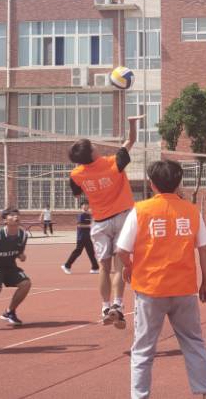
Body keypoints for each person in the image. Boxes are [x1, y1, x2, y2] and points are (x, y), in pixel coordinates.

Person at [114, 160, 206, 399]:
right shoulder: (191, 211)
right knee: (193, 342)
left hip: (150, 289)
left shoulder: (141, 210)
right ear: (179, 183)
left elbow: (121, 249)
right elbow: (204, 249)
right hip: (183, 288)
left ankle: (140, 396)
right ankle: (204, 392)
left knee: (143, 348)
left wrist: (129, 267)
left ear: (152, 184)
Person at [68, 115, 142, 329]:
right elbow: (131, 140)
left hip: (100, 221)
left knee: (103, 267)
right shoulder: (113, 163)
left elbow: (76, 194)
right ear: (92, 152)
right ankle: (118, 305)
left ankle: (105, 306)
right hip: (122, 218)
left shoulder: (76, 174)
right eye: (92, 146)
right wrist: (132, 124)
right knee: (119, 266)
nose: (96, 146)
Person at [62, 202, 100, 274]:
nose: (86, 206)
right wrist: (89, 226)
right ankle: (66, 266)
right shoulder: (81, 215)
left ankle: (95, 268)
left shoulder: (89, 215)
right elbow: (79, 225)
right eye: (84, 205)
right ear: (82, 206)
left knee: (91, 252)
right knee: (78, 252)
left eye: (87, 205)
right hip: (81, 237)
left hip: (87, 237)